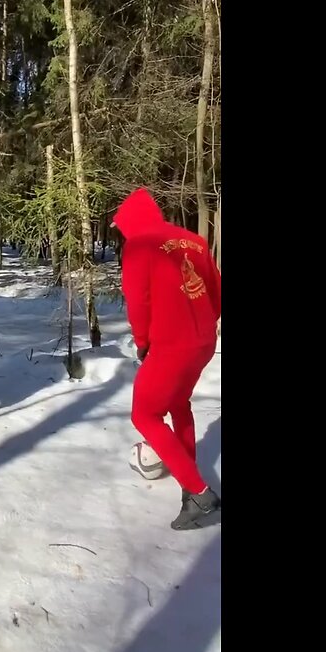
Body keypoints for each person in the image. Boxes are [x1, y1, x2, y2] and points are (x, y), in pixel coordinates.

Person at [112, 187, 222, 530]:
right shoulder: (194, 241)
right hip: (202, 342)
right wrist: (204, 324)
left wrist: (143, 343)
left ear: (131, 221)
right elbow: (216, 291)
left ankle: (201, 495)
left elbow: (138, 301)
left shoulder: (139, 245)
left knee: (144, 415)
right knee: (178, 403)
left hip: (171, 346)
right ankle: (191, 495)